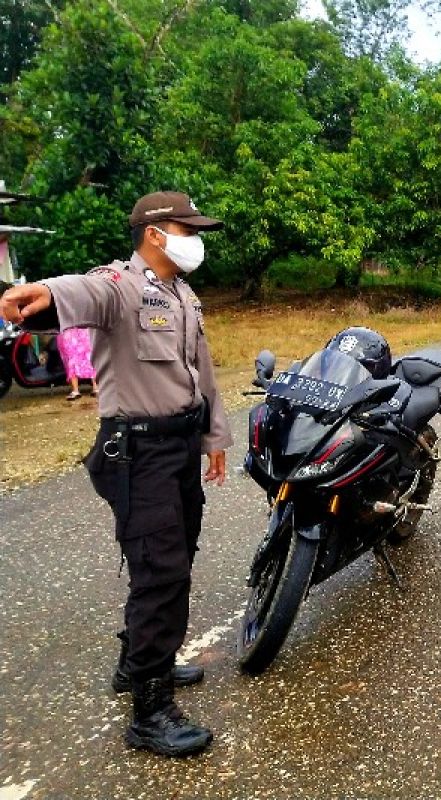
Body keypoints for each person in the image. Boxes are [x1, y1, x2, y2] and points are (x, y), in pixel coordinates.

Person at [0, 191, 231, 757]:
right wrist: (44, 292)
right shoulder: (122, 285)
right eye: (187, 227)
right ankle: (149, 712)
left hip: (179, 447)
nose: (195, 238)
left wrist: (214, 438)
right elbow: (83, 290)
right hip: (137, 452)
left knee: (174, 558)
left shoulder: (183, 295)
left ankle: (138, 661)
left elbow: (199, 372)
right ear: (155, 233)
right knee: (162, 572)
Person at [58, 326, 97, 400]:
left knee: (73, 357)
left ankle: (76, 390)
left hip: (72, 328)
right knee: (87, 356)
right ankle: (94, 388)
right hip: (79, 328)